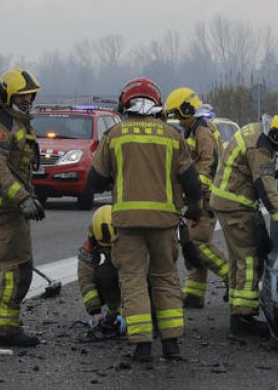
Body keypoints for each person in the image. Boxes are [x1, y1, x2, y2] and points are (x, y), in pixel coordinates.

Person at [86, 76, 204, 363]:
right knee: (165, 278)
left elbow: (95, 181)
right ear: (156, 104)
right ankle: (172, 344)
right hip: (165, 223)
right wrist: (195, 210)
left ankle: (142, 346)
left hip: (127, 224)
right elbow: (192, 182)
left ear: (125, 103)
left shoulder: (115, 135)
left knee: (134, 281)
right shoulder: (172, 135)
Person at [210, 113, 278, 336]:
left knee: (237, 260)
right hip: (236, 206)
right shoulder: (261, 149)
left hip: (227, 202)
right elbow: (266, 189)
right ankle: (244, 318)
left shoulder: (257, 130)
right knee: (248, 259)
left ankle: (238, 312)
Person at [0, 68, 46, 348]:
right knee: (18, 270)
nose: (28, 100)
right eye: (22, 96)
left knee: (6, 268)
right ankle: (6, 330)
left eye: (31, 95)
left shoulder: (17, 122)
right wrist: (22, 198)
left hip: (7, 208)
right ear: (8, 96)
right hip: (3, 209)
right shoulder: (2, 124)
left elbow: (18, 167)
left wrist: (30, 196)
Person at [163, 87, 230, 309]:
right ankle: (194, 293)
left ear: (187, 109)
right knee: (193, 242)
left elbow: (208, 162)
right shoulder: (193, 129)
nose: (176, 119)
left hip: (206, 197)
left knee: (199, 243)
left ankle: (232, 278)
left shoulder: (202, 130)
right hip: (199, 196)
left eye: (177, 114)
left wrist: (197, 191)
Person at [78, 204, 125, 339]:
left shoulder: (131, 235)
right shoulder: (92, 237)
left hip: (140, 273)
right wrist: (95, 311)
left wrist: (129, 312)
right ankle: (115, 311)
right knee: (103, 274)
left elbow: (137, 276)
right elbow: (85, 273)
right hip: (116, 268)